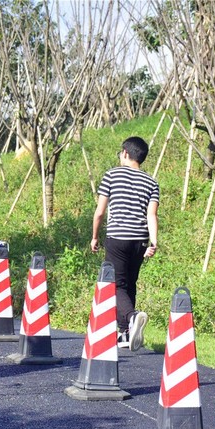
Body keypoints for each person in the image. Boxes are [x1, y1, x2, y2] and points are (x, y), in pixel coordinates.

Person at [90, 136, 159, 352]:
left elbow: (100, 211)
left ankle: (132, 316)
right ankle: (125, 333)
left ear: (126, 153)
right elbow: (152, 215)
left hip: (117, 237)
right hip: (140, 240)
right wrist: (154, 242)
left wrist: (94, 236)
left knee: (116, 285)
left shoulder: (111, 175)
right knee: (129, 284)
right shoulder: (151, 182)